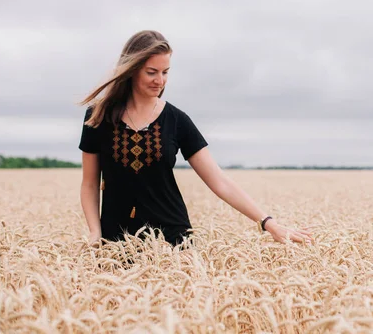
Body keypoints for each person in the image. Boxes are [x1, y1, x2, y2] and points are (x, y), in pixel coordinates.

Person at [78, 30, 313, 247]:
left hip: (172, 240)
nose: (160, 80)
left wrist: (268, 223)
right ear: (131, 70)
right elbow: (89, 183)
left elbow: (218, 180)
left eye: (165, 72)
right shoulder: (97, 118)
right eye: (151, 72)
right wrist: (94, 232)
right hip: (115, 242)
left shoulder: (177, 120)